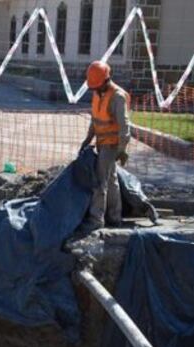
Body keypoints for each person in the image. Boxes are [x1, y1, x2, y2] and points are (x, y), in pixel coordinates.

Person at [79, 60, 130, 229]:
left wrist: (122, 150)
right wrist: (87, 140)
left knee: (100, 182)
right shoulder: (98, 93)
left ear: (106, 80)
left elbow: (124, 126)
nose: (94, 89)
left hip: (112, 145)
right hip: (101, 142)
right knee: (111, 180)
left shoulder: (117, 97)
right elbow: (95, 120)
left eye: (96, 86)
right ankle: (114, 216)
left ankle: (96, 220)